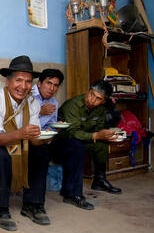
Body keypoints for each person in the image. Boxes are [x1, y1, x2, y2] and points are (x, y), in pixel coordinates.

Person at [0, 55, 51, 231]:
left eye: (28, 82)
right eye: (18, 80)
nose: (23, 86)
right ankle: (0, 209)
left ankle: (33, 204)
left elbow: (32, 137)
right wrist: (22, 133)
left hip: (18, 140)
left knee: (42, 151)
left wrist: (43, 138)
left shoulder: (32, 103)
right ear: (7, 81)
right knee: (0, 155)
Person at [50, 80, 122, 211]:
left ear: (104, 101)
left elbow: (98, 129)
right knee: (78, 146)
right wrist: (95, 136)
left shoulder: (100, 109)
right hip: (60, 143)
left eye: (98, 98)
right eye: (91, 94)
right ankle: (72, 194)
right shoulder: (73, 105)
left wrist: (105, 135)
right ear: (88, 91)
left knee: (101, 144)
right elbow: (73, 133)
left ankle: (99, 180)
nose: (92, 100)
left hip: (81, 139)